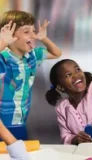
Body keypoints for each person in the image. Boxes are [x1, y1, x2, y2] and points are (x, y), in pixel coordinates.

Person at [0, 10, 62, 139]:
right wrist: (3, 42)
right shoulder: (3, 58)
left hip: (20, 118)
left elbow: (57, 53)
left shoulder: (32, 56)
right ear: (10, 34)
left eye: (33, 31)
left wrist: (44, 39)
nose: (33, 36)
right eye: (26, 31)